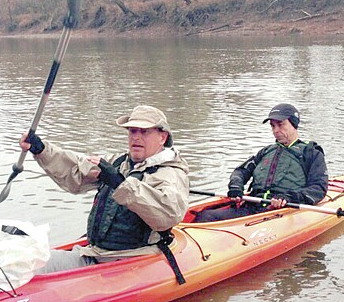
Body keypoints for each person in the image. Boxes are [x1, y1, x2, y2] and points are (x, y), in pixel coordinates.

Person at [19, 105, 190, 276]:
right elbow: (77, 170)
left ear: (162, 137)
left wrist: (120, 184)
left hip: (136, 260)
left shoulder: (171, 174)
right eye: (132, 131)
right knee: (26, 261)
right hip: (97, 255)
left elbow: (168, 215)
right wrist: (41, 150)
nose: (136, 137)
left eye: (144, 132)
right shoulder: (118, 162)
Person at [194, 103, 328, 222]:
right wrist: (236, 187)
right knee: (205, 216)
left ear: (293, 124)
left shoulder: (311, 152)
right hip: (252, 206)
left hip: (283, 211)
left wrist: (289, 197)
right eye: (273, 126)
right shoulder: (266, 151)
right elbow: (241, 171)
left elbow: (318, 188)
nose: (276, 131)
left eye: (280, 125)